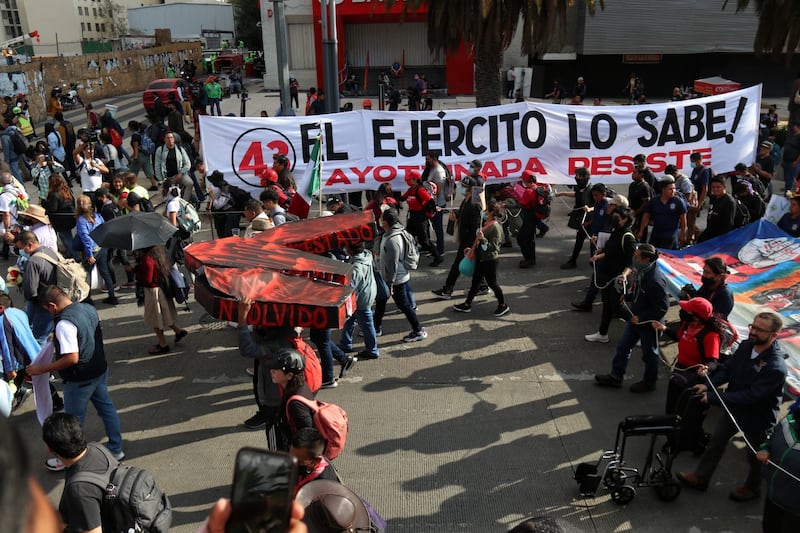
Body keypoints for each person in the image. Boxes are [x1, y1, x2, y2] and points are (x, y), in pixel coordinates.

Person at [677, 311, 788, 503]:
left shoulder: (775, 367)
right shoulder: (747, 346)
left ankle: (753, 488)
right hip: (733, 408)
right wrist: (708, 384)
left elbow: (752, 396)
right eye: (753, 327)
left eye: (760, 330)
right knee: (716, 442)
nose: (753, 332)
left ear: (774, 335)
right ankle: (701, 478)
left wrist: (712, 397)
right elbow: (728, 369)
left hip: (757, 417)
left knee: (755, 456)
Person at [26, 285, 125, 470]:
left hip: (79, 380)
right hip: (99, 370)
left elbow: (72, 358)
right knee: (107, 409)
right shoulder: (87, 307)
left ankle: (69, 458)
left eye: (47, 310)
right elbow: (85, 335)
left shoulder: (64, 323)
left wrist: (42, 369)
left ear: (52, 306)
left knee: (71, 423)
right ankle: (116, 448)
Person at [594, 243, 670, 393]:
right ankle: (616, 376)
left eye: (637, 257)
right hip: (635, 319)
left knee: (649, 355)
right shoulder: (643, 272)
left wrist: (641, 317)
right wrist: (628, 296)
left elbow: (662, 307)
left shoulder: (655, 281)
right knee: (623, 347)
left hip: (648, 324)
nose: (633, 259)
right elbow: (639, 292)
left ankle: (649, 382)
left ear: (646, 259)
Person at [652, 297, 722, 413]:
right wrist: (664, 329)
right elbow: (680, 338)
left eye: (687, 310)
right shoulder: (686, 325)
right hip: (680, 369)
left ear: (696, 316)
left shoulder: (711, 336)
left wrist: (706, 368)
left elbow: (713, 361)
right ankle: (669, 421)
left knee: (686, 406)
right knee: (672, 400)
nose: (682, 312)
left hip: (694, 376)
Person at [583, 207, 637, 343]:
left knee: (618, 308)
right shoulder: (616, 231)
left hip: (618, 278)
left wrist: (624, 275)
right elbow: (612, 250)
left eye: (617, 217)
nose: (613, 218)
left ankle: (641, 331)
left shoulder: (628, 237)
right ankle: (602, 334)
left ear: (625, 219)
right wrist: (599, 254)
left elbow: (632, 262)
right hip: (608, 275)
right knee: (607, 305)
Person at [376, 208, 427, 342]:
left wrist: (390, 282)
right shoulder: (395, 233)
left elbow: (392, 263)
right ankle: (376, 326)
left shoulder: (393, 240)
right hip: (395, 277)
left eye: (382, 219)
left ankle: (418, 330)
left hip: (395, 278)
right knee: (382, 300)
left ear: (386, 222)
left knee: (404, 305)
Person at [431, 174, 485, 299]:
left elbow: (475, 224)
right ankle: (482, 286)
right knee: (476, 265)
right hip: (466, 238)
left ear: (471, 189)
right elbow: (464, 215)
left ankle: (447, 290)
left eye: (465, 187)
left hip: (469, 240)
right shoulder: (466, 200)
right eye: (462, 186)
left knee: (457, 265)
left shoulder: (475, 204)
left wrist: (472, 245)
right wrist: (456, 215)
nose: (462, 188)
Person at [453, 199, 510, 317]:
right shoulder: (486, 224)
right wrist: (473, 249)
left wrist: (482, 239)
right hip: (481, 258)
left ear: (490, 212)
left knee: (492, 283)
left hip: (489, 260)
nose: (483, 212)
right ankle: (467, 304)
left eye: (485, 210)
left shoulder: (494, 228)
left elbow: (492, 248)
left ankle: (503, 305)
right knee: (475, 282)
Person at [127, 245, 188, 355]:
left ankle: (163, 344)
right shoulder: (158, 253)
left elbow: (147, 279)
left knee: (155, 319)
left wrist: (133, 270)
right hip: (160, 289)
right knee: (164, 314)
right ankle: (178, 331)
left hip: (153, 292)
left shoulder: (147, 259)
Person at [757, 400, 800, 532]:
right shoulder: (788, 421)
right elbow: (771, 438)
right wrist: (765, 449)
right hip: (773, 496)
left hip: (795, 510)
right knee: (768, 527)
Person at [338, 240, 377, 363]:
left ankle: (372, 350)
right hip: (369, 291)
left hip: (361, 299)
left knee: (366, 324)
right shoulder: (367, 255)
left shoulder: (356, 267)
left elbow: (351, 286)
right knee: (350, 320)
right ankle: (345, 343)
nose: (345, 249)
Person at [75, 195, 118, 305]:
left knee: (85, 275)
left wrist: (89, 255)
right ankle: (112, 296)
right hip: (102, 247)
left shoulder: (81, 220)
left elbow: (85, 238)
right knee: (105, 272)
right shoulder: (98, 216)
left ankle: (88, 298)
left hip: (91, 251)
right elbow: (104, 229)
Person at [271, 348, 315, 450]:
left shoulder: (296, 404)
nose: (271, 371)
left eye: (276, 369)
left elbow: (308, 435)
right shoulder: (301, 386)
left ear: (290, 375)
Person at [402, 169, 442, 266]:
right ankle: (406, 257)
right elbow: (402, 198)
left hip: (420, 218)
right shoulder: (411, 190)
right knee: (407, 237)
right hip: (412, 217)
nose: (407, 181)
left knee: (424, 241)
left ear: (415, 179)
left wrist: (431, 210)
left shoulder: (420, 190)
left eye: (409, 179)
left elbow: (430, 201)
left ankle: (438, 257)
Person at [555, 167, 593, 269]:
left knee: (593, 241)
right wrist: (562, 193)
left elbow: (599, 204)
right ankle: (574, 260)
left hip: (590, 220)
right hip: (583, 219)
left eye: (578, 176)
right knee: (580, 240)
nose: (576, 178)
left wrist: (590, 209)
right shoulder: (581, 188)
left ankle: (594, 261)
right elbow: (577, 194)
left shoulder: (591, 190)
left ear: (584, 177)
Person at [637, 177, 687, 249]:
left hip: (670, 236)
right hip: (656, 235)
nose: (673, 191)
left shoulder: (678, 201)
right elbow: (646, 216)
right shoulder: (654, 201)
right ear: (663, 189)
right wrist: (641, 231)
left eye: (674, 188)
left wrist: (682, 234)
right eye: (670, 189)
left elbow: (683, 219)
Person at [291, 427, 339, 493]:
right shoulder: (307, 465)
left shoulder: (323, 486)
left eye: (299, 461)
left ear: (317, 460)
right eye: (290, 457)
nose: (292, 462)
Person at [423, 152, 448, 256]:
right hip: (431, 202)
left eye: (428, 159)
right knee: (431, 225)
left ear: (434, 159)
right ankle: (432, 248)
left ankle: (440, 250)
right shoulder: (432, 168)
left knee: (438, 228)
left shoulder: (439, 171)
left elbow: (438, 190)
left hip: (436, 204)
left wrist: (431, 201)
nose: (427, 161)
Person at [154, 133, 192, 201]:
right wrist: (161, 179)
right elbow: (157, 165)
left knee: (189, 183)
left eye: (171, 137)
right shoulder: (160, 150)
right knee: (169, 197)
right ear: (165, 139)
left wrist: (181, 173)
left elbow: (187, 163)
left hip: (179, 174)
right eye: (168, 138)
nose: (170, 139)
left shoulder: (180, 149)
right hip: (166, 177)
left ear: (174, 139)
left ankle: (185, 202)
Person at [698, 177, 735, 242]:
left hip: (719, 236)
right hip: (709, 231)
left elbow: (728, 224)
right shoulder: (713, 198)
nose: (715, 189)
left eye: (718, 187)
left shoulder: (729, 202)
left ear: (724, 187)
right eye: (713, 187)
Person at [688, 151, 711, 241]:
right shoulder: (695, 170)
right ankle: (698, 236)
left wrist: (699, 204)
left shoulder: (704, 171)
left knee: (691, 220)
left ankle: (691, 239)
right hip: (693, 198)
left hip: (698, 200)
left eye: (692, 162)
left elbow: (705, 189)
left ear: (697, 161)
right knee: (690, 221)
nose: (691, 164)